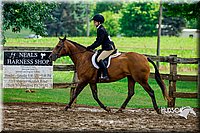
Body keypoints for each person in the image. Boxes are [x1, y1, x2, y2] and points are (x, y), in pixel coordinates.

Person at [86, 14, 116, 81]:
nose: (94, 23)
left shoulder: (101, 29)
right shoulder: (100, 28)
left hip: (109, 48)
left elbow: (99, 42)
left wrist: (90, 47)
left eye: (95, 21)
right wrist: (91, 47)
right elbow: (97, 40)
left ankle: (105, 75)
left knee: (99, 59)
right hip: (106, 47)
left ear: (99, 22)